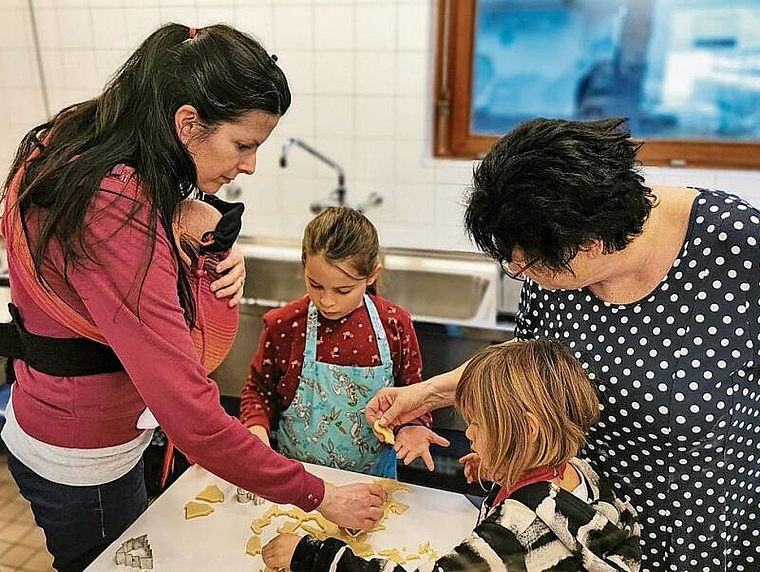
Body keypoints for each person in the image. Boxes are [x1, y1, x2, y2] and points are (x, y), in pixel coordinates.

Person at [0, 23, 384, 572]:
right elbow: (195, 419)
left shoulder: (89, 141)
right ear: (187, 123)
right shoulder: (115, 208)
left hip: (65, 425)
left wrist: (199, 237)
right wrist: (319, 494)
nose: (249, 164)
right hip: (86, 457)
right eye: (243, 144)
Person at [365, 117, 760, 571]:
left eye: (526, 262)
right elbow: (525, 375)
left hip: (686, 530)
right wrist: (430, 394)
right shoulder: (548, 259)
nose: (520, 273)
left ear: (590, 243)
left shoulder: (738, 248)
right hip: (562, 518)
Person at [262, 339, 642, 571]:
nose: (469, 434)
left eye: (476, 423)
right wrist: (503, 467)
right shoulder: (580, 472)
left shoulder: (516, 528)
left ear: (526, 431)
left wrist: (312, 557)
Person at [239, 206, 448, 477]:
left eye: (343, 290)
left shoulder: (394, 324)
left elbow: (414, 393)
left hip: (374, 485)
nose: (327, 301)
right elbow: (259, 391)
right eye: (315, 285)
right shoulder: (285, 325)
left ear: (372, 275)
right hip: (299, 483)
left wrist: (414, 426)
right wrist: (256, 431)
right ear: (304, 265)